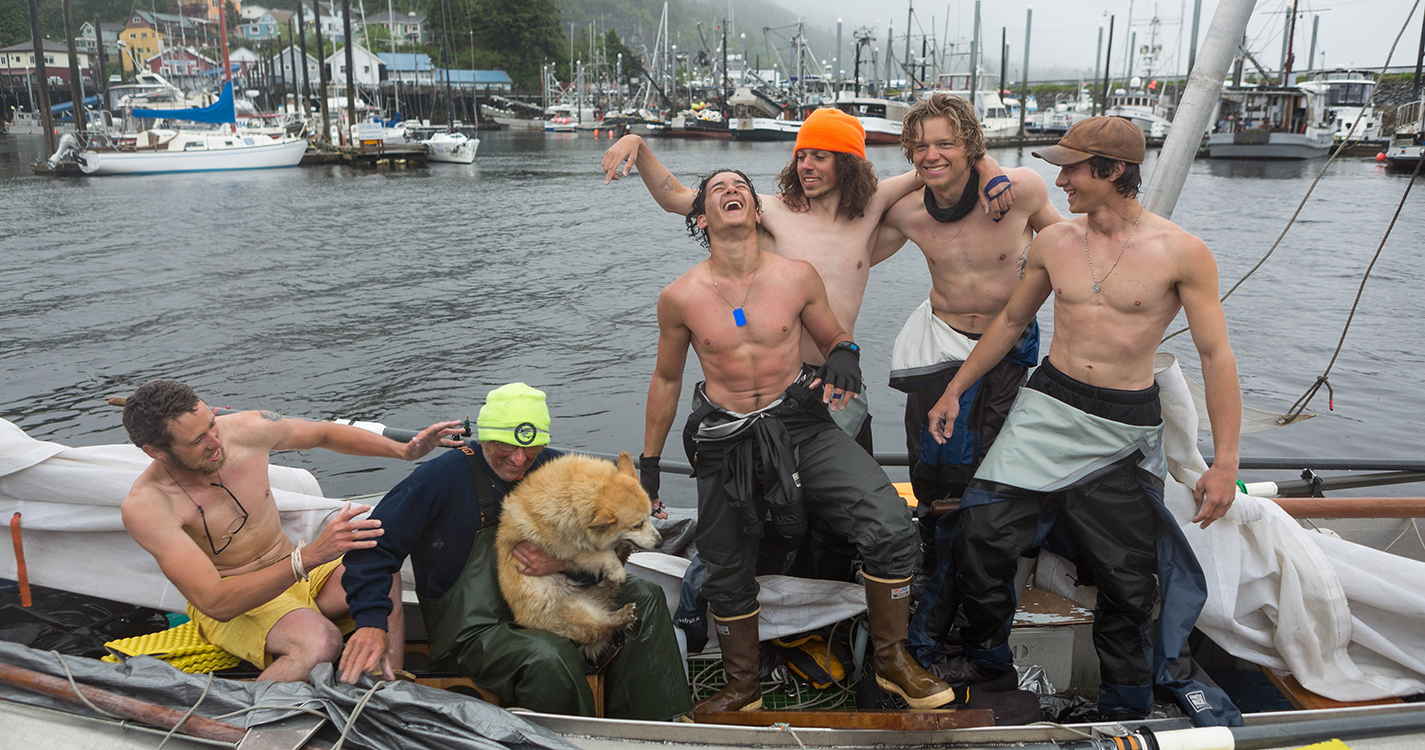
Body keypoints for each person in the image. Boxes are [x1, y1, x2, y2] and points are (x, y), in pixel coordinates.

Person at [925, 117, 1243, 723]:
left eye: (1072, 167)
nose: (1060, 177)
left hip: (1123, 421)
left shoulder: (1181, 252)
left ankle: (1124, 702)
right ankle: (986, 658)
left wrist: (1225, 462)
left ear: (1114, 170)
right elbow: (1012, 323)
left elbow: (1214, 355)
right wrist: (955, 392)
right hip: (1048, 404)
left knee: (1128, 577)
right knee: (982, 533)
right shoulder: (1054, 241)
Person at [641, 169, 957, 712]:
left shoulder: (796, 276)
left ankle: (892, 662)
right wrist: (648, 464)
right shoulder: (681, 297)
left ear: (759, 212)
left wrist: (844, 353)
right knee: (725, 560)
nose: (731, 191)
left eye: (739, 185)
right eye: (717, 190)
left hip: (800, 422)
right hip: (726, 436)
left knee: (888, 524)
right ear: (700, 218)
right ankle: (742, 686)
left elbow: (834, 334)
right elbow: (667, 380)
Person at [603, 107, 1015, 448]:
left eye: (820, 155)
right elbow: (677, 198)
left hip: (841, 379)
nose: (806, 165)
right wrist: (637, 147)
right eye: (801, 155)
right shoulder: (772, 211)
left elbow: (942, 165)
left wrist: (992, 167)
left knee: (845, 517)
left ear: (848, 163)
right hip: (783, 383)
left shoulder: (872, 208)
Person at [340, 383, 691, 720]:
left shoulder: (556, 470)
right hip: (476, 632)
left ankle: (650, 729)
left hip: (553, 600)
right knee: (546, 656)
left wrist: (564, 564)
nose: (520, 459)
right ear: (485, 435)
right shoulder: (439, 479)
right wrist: (371, 622)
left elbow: (615, 545)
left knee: (644, 596)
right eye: (506, 446)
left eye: (533, 448)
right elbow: (371, 548)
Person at [120, 380, 464, 682]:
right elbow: (215, 602)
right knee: (322, 643)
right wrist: (313, 555)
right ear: (155, 451)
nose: (216, 442)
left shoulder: (244, 429)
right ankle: (248, 720)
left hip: (300, 577)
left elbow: (324, 433)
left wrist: (403, 451)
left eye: (213, 425)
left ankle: (384, 690)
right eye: (198, 440)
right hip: (238, 604)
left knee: (377, 565)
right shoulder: (148, 506)